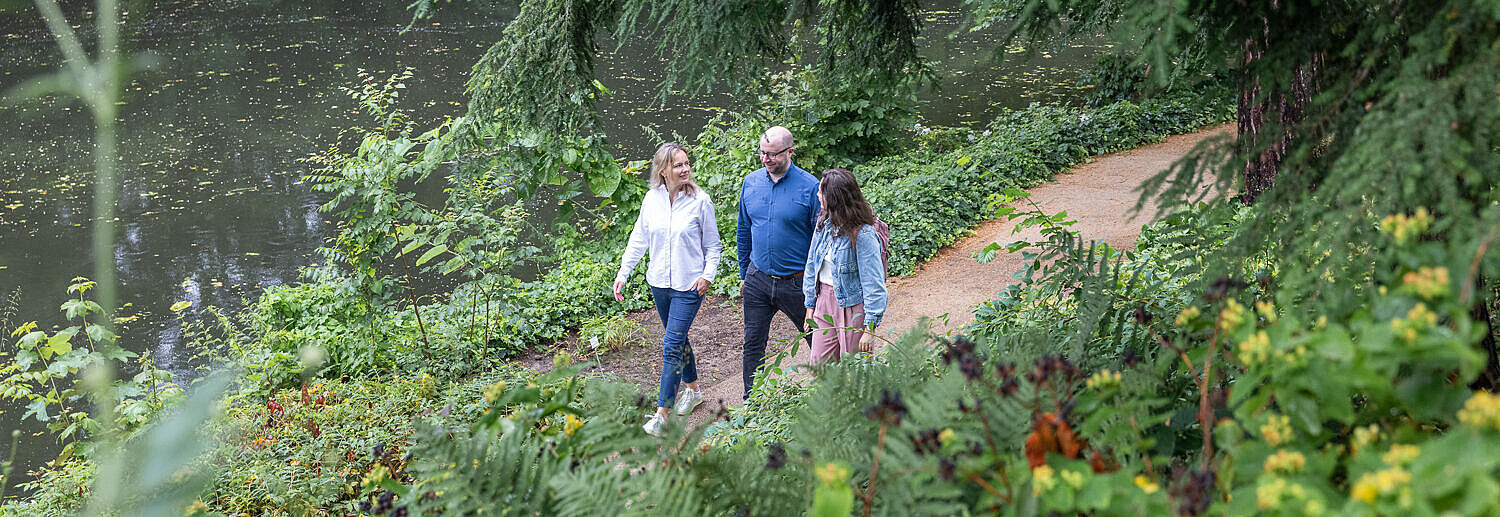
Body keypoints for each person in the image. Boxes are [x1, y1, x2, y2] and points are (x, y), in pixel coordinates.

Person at [614, 142, 721, 436]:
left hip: (690, 285)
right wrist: (623, 273)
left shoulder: (701, 201)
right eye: (678, 165)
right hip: (659, 283)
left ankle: (662, 414)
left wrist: (707, 276)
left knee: (671, 345)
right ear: (663, 171)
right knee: (678, 338)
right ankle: (695, 390)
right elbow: (639, 239)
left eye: (687, 164)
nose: (685, 169)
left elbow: (713, 246)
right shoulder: (652, 199)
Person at [737, 126, 820, 399]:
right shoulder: (750, 183)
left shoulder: (811, 188)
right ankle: (753, 404)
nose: (766, 159)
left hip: (797, 283)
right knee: (753, 344)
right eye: (762, 153)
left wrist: (816, 284)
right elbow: (743, 230)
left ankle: (832, 395)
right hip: (757, 279)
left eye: (773, 154)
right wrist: (743, 273)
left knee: (817, 340)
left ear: (790, 152)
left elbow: (821, 240)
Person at [802, 168, 888, 364]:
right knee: (820, 368)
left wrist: (869, 329)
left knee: (854, 371)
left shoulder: (863, 234)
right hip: (824, 301)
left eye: (821, 191)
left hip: (852, 307)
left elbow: (873, 283)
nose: (817, 195)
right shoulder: (823, 225)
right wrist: (809, 305)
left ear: (834, 197)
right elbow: (811, 264)